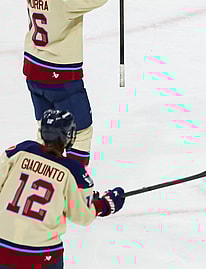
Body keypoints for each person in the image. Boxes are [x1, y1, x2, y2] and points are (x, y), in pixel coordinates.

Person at [21, 0, 130, 166]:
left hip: (32, 71)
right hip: (61, 76)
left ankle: (44, 173)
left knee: (48, 129)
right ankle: (76, 186)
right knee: (81, 131)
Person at [0, 109, 125, 269]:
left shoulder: (22, 150)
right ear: (69, 136)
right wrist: (104, 205)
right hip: (40, 256)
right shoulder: (74, 171)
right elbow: (82, 216)